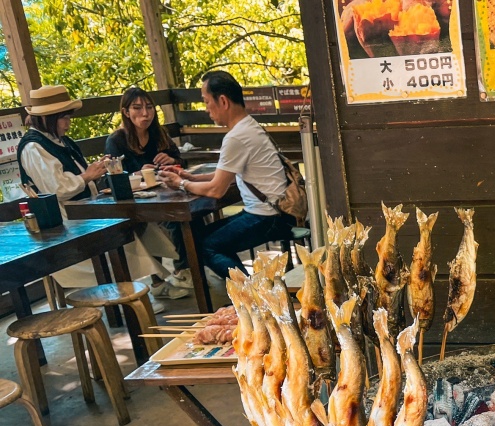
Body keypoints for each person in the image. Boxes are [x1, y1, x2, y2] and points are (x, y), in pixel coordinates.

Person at [16, 84, 169, 299]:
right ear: (48, 118)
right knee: (118, 231)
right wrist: (88, 176)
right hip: (63, 221)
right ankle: (125, 295)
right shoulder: (34, 147)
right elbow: (56, 189)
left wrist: (96, 171)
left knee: (138, 220)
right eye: (64, 117)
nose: (69, 122)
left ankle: (150, 283)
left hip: (83, 208)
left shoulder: (60, 141)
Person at [160, 71, 294, 281]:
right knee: (203, 239)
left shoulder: (237, 137)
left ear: (222, 101)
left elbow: (216, 189)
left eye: (206, 102)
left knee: (208, 246)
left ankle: (252, 296)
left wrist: (181, 183)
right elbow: (225, 176)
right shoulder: (249, 126)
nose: (206, 110)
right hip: (274, 211)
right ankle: (248, 288)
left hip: (268, 217)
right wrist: (191, 178)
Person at [105, 86, 192, 299]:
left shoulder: (158, 133)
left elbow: (181, 161)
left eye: (149, 108)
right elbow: (113, 176)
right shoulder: (116, 141)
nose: (145, 113)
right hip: (137, 201)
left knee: (187, 216)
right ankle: (159, 281)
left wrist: (172, 160)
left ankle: (185, 270)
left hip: (166, 194)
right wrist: (138, 174)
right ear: (126, 112)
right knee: (153, 224)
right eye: (137, 108)